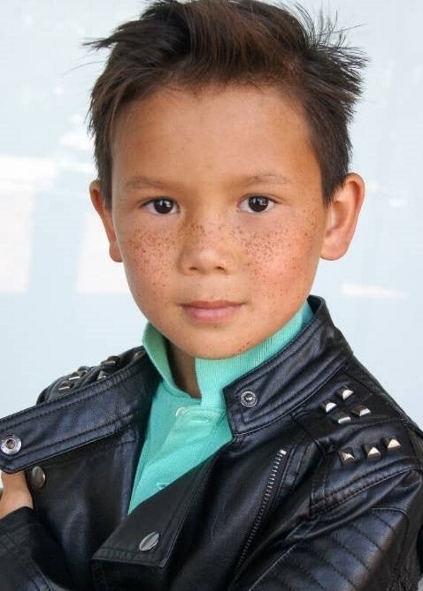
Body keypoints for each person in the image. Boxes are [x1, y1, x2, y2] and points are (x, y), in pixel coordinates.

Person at [1, 0, 423, 589]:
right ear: (109, 220)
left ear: (336, 215)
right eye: (162, 205)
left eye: (257, 203)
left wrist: (15, 559)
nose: (206, 252)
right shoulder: (72, 410)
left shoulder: (370, 475)